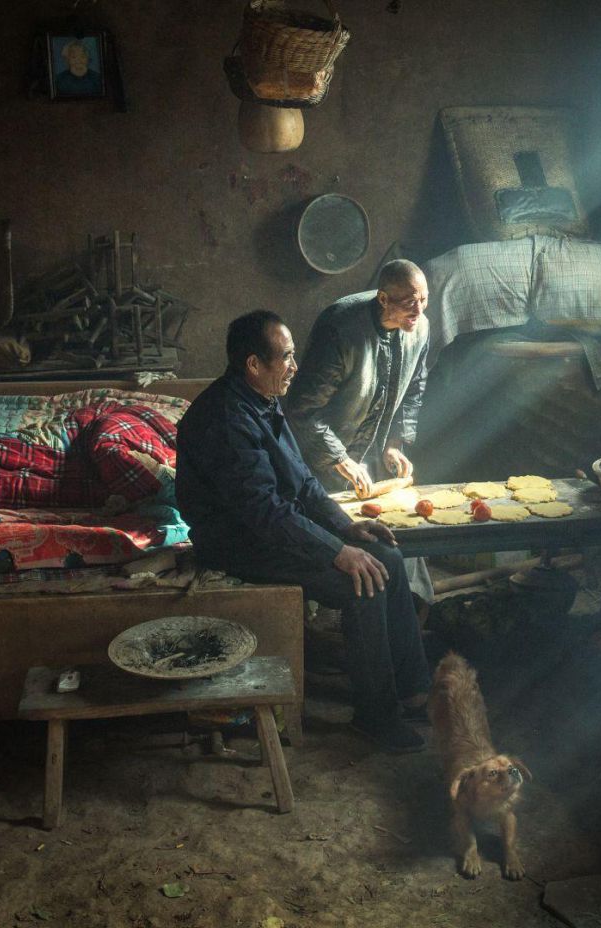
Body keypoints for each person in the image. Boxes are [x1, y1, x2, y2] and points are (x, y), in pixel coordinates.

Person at [175, 310, 430, 753]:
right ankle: (375, 716)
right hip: (237, 543)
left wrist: (347, 527)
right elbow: (266, 513)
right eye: (287, 357)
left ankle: (412, 690)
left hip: (270, 527)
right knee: (360, 580)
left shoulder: (264, 399)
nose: (295, 367)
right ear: (254, 364)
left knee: (386, 555)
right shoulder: (226, 420)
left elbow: (304, 484)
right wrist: (337, 551)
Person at [285, 259, 433, 600]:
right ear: (383, 299)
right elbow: (301, 409)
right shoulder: (341, 328)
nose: (419, 310)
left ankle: (411, 611)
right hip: (321, 463)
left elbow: (415, 389)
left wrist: (395, 443)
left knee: (400, 536)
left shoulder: (419, 326)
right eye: (410, 301)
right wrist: (338, 458)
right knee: (342, 549)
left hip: (374, 458)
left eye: (424, 300)